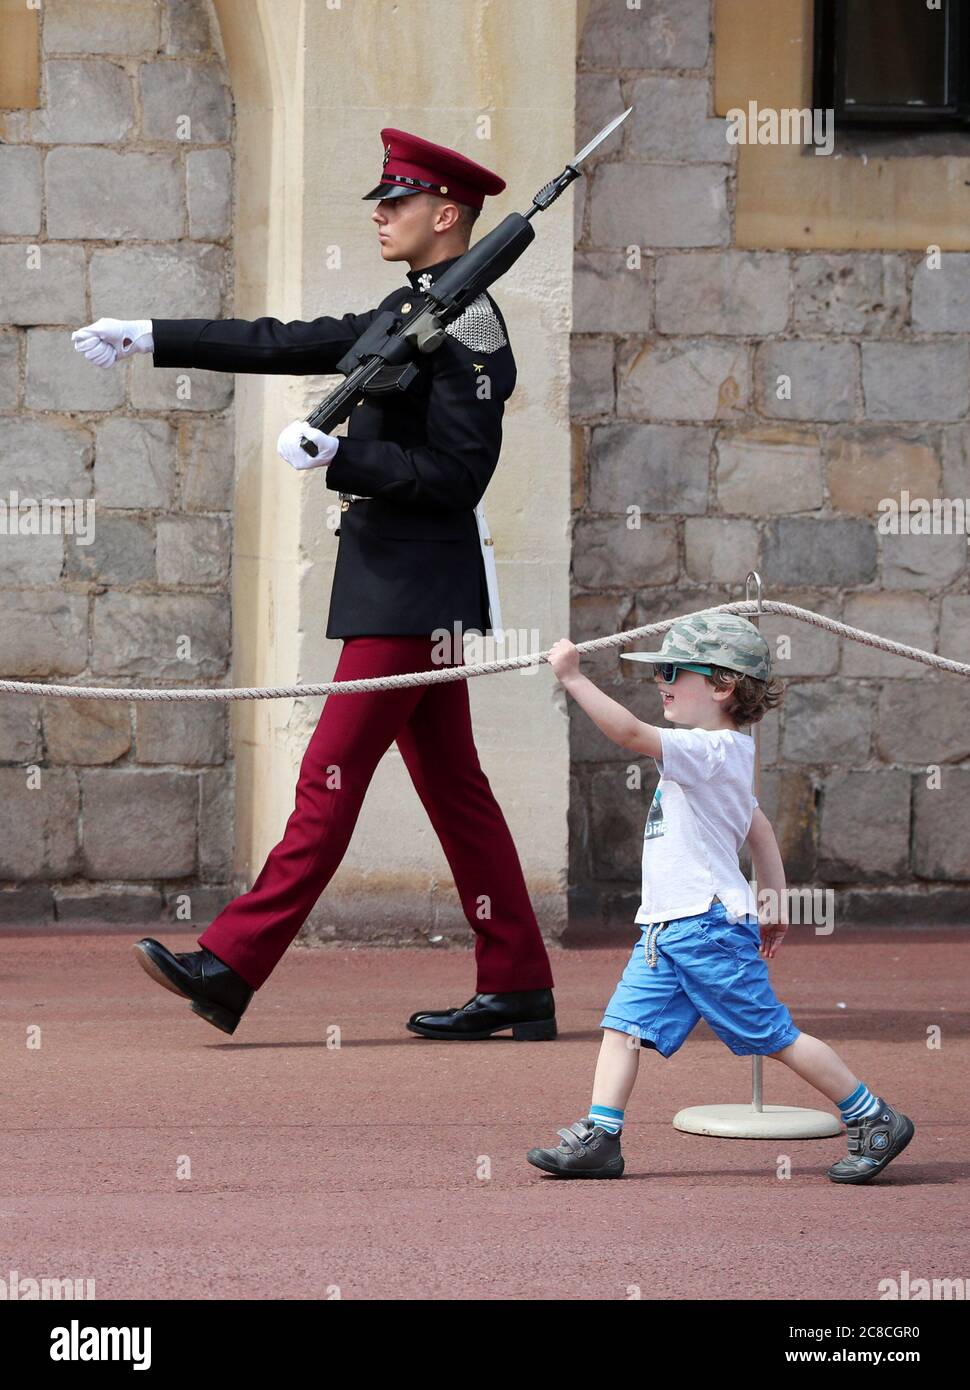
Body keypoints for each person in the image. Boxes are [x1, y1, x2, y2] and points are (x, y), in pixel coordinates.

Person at [71, 128, 556, 1041]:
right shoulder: (412, 308)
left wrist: (346, 455)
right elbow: (292, 341)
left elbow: (457, 475)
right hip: (400, 591)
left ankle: (232, 960)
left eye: (397, 201)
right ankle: (519, 981)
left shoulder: (473, 332)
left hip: (413, 597)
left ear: (447, 215)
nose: (380, 213)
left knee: (326, 778)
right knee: (458, 792)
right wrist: (150, 335)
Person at [525, 611, 915, 1184]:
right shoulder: (718, 755)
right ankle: (600, 1138)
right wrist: (774, 904)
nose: (661, 678)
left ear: (722, 685)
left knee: (773, 1036)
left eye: (673, 669)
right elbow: (758, 829)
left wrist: (573, 678)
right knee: (623, 1027)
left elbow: (631, 734)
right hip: (667, 928)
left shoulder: (709, 750)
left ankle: (874, 1117)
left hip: (704, 926)